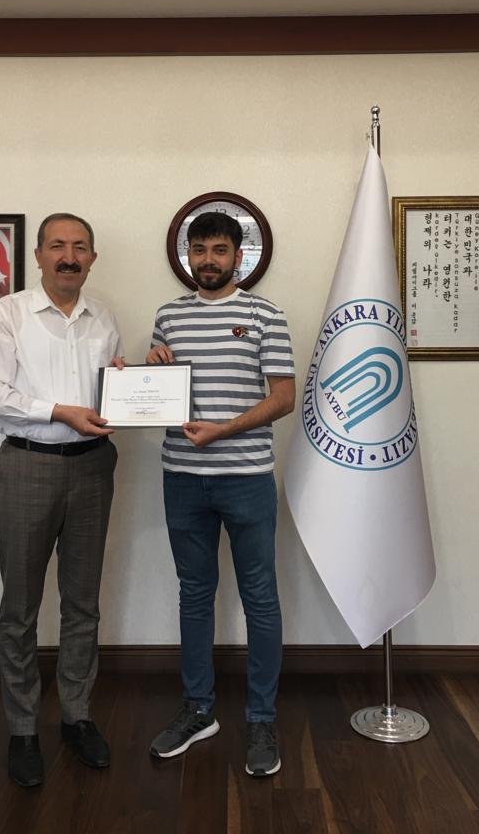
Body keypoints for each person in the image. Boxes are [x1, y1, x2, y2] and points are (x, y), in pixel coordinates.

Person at [0, 213, 123, 788]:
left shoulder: (104, 317)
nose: (69, 256)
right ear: (37, 256)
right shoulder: (7, 313)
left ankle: (77, 717)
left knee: (83, 603)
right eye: (57, 245)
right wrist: (58, 411)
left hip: (93, 468)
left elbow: (107, 395)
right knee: (21, 606)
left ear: (92, 258)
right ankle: (22, 729)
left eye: (80, 247)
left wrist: (127, 386)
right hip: (27, 466)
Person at [146, 211, 295, 777]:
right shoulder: (168, 316)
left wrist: (224, 430)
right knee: (194, 594)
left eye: (219, 250)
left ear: (238, 256)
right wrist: (150, 370)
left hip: (247, 477)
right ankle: (198, 710)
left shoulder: (265, 315)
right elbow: (157, 395)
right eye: (199, 250)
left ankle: (261, 718)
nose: (208, 260)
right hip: (182, 477)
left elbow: (283, 397)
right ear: (188, 255)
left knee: (260, 597)